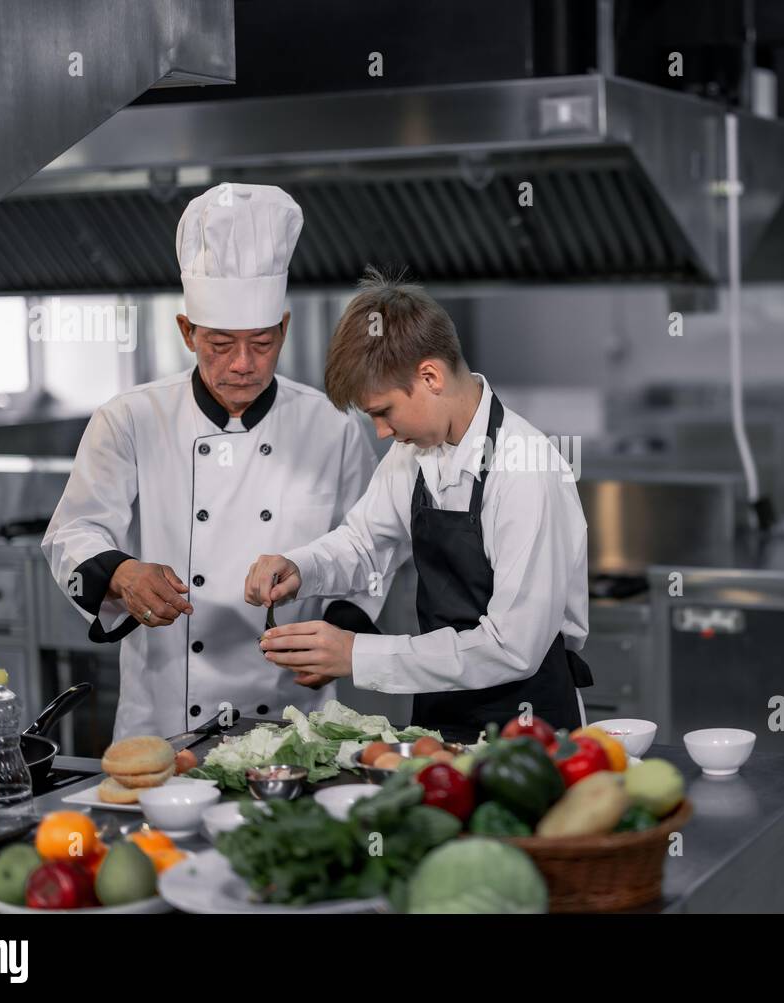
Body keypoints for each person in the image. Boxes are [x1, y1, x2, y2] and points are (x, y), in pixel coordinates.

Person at [42, 184, 386, 739]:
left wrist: (337, 636)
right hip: (163, 720)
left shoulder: (333, 427)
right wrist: (123, 573)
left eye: (262, 343)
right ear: (187, 331)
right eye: (221, 344)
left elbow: (372, 547)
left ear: (285, 330)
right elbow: (72, 533)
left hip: (290, 718)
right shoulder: (130, 418)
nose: (244, 365)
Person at [245, 268, 592, 743]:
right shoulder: (415, 452)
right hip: (439, 711)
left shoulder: (524, 468)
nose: (382, 433)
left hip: (531, 726)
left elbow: (513, 647)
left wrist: (356, 655)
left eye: (383, 412)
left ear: (429, 376)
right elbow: (365, 542)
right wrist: (300, 568)